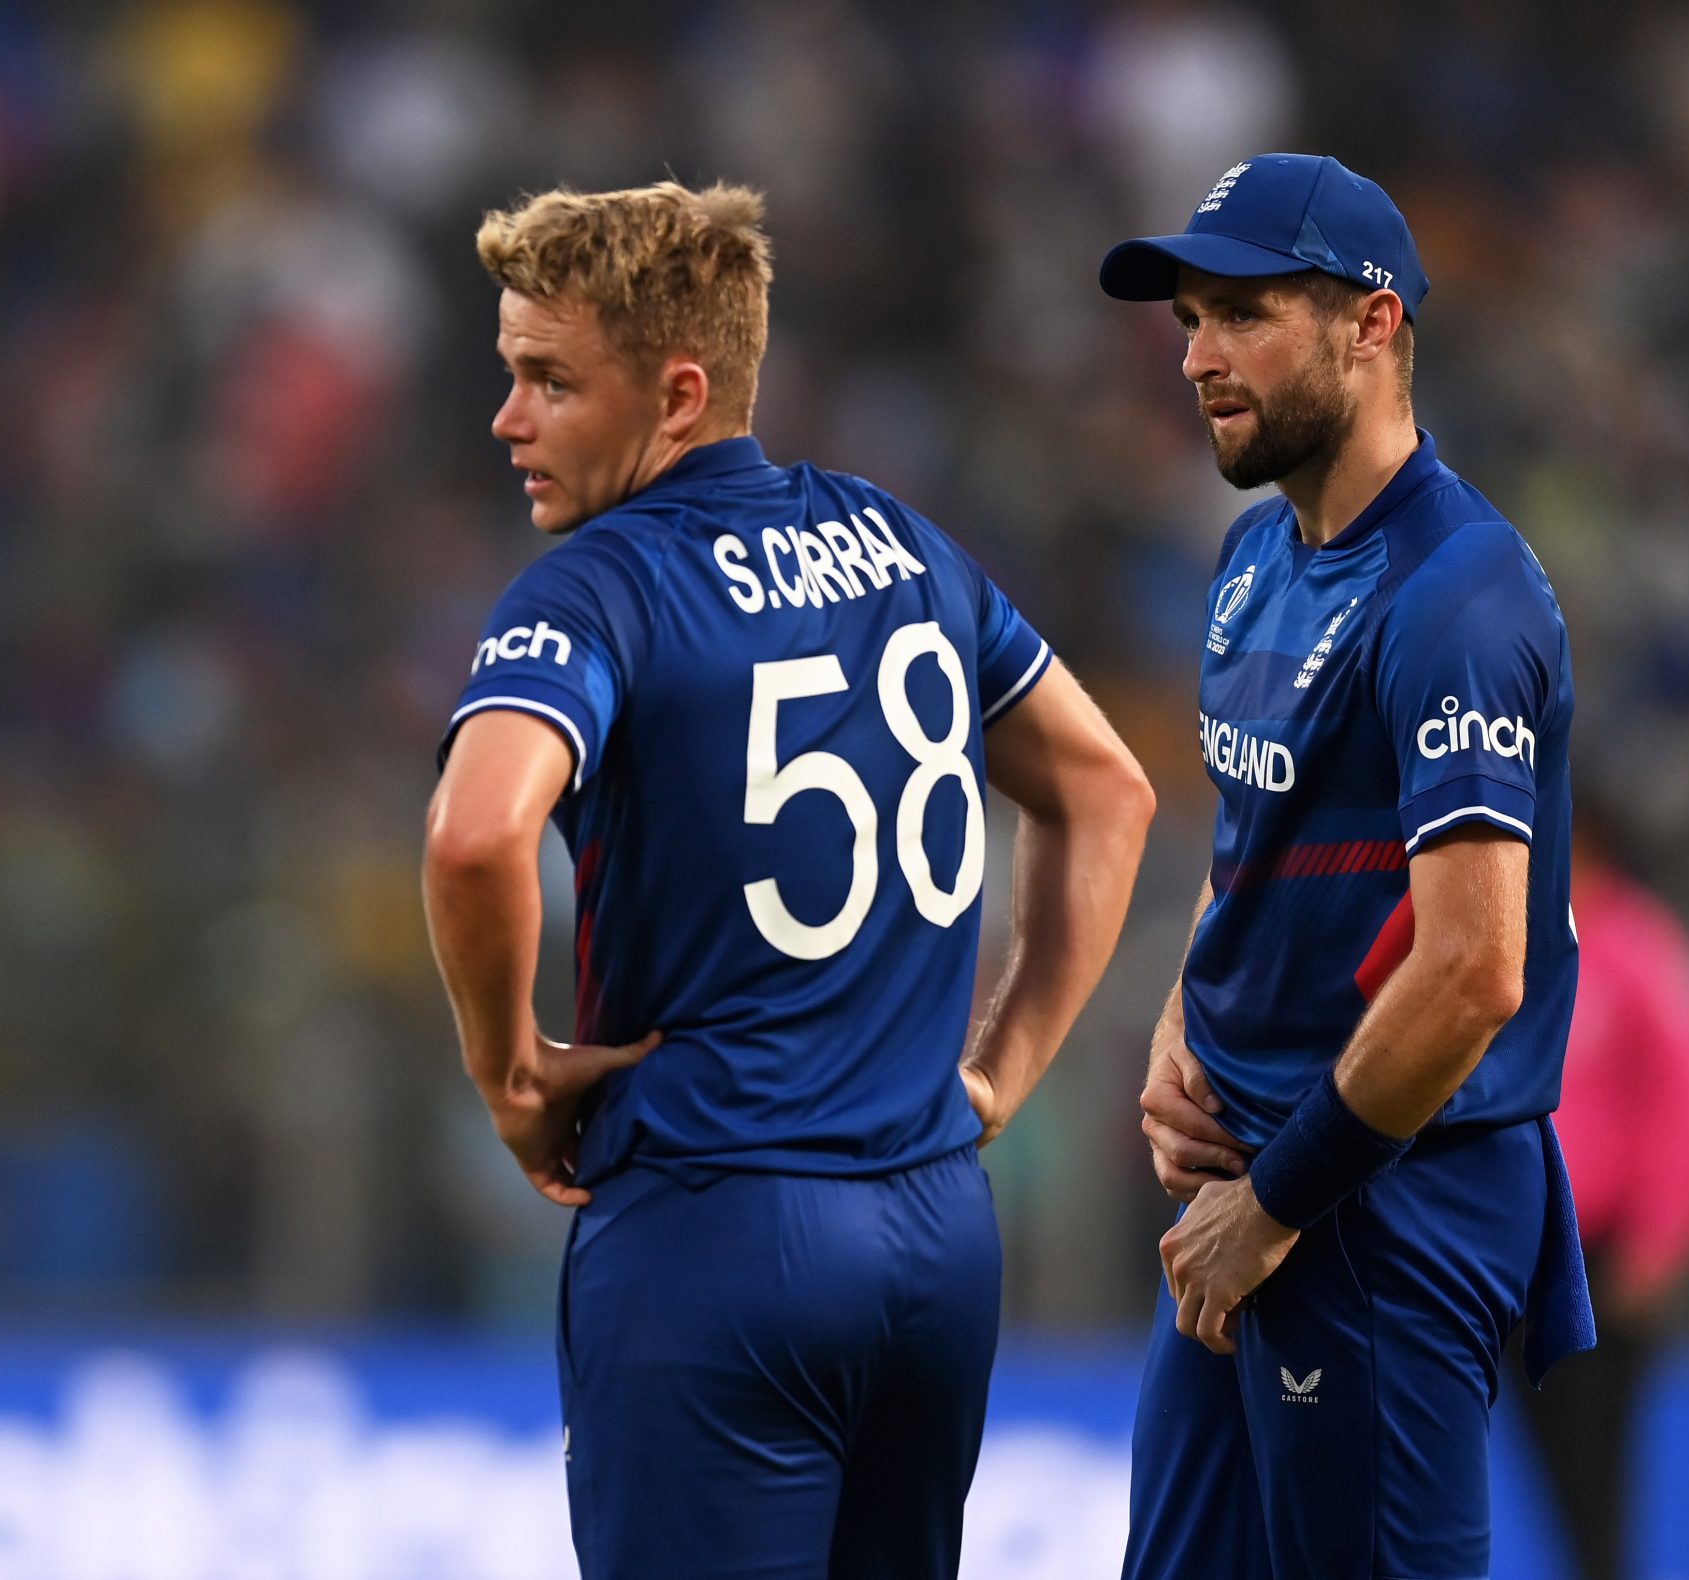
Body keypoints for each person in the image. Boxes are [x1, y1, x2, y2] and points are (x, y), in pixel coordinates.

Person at [422, 180, 1155, 1579]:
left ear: (679, 393)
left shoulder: (601, 587)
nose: (508, 418)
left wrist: (510, 1073)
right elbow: (1106, 791)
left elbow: (472, 833)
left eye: (550, 381)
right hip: (936, 1235)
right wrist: (998, 1073)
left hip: (717, 1227)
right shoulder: (907, 546)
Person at [1101, 153, 1596, 1580]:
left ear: (1372, 325)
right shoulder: (1254, 558)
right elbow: (1251, 845)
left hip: (1377, 1202)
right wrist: (1183, 1026)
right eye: (1189, 320)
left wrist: (1274, 1202)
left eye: (1242, 313)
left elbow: (1474, 969)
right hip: (1243, 1192)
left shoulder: (1457, 596)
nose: (1197, 357)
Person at [1516, 817, 1689, 1580]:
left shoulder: (1634, 946)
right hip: (1513, 1256)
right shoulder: (1521, 948)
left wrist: (1655, 1244)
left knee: (1591, 1478)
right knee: (1548, 1474)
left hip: (1593, 1263)